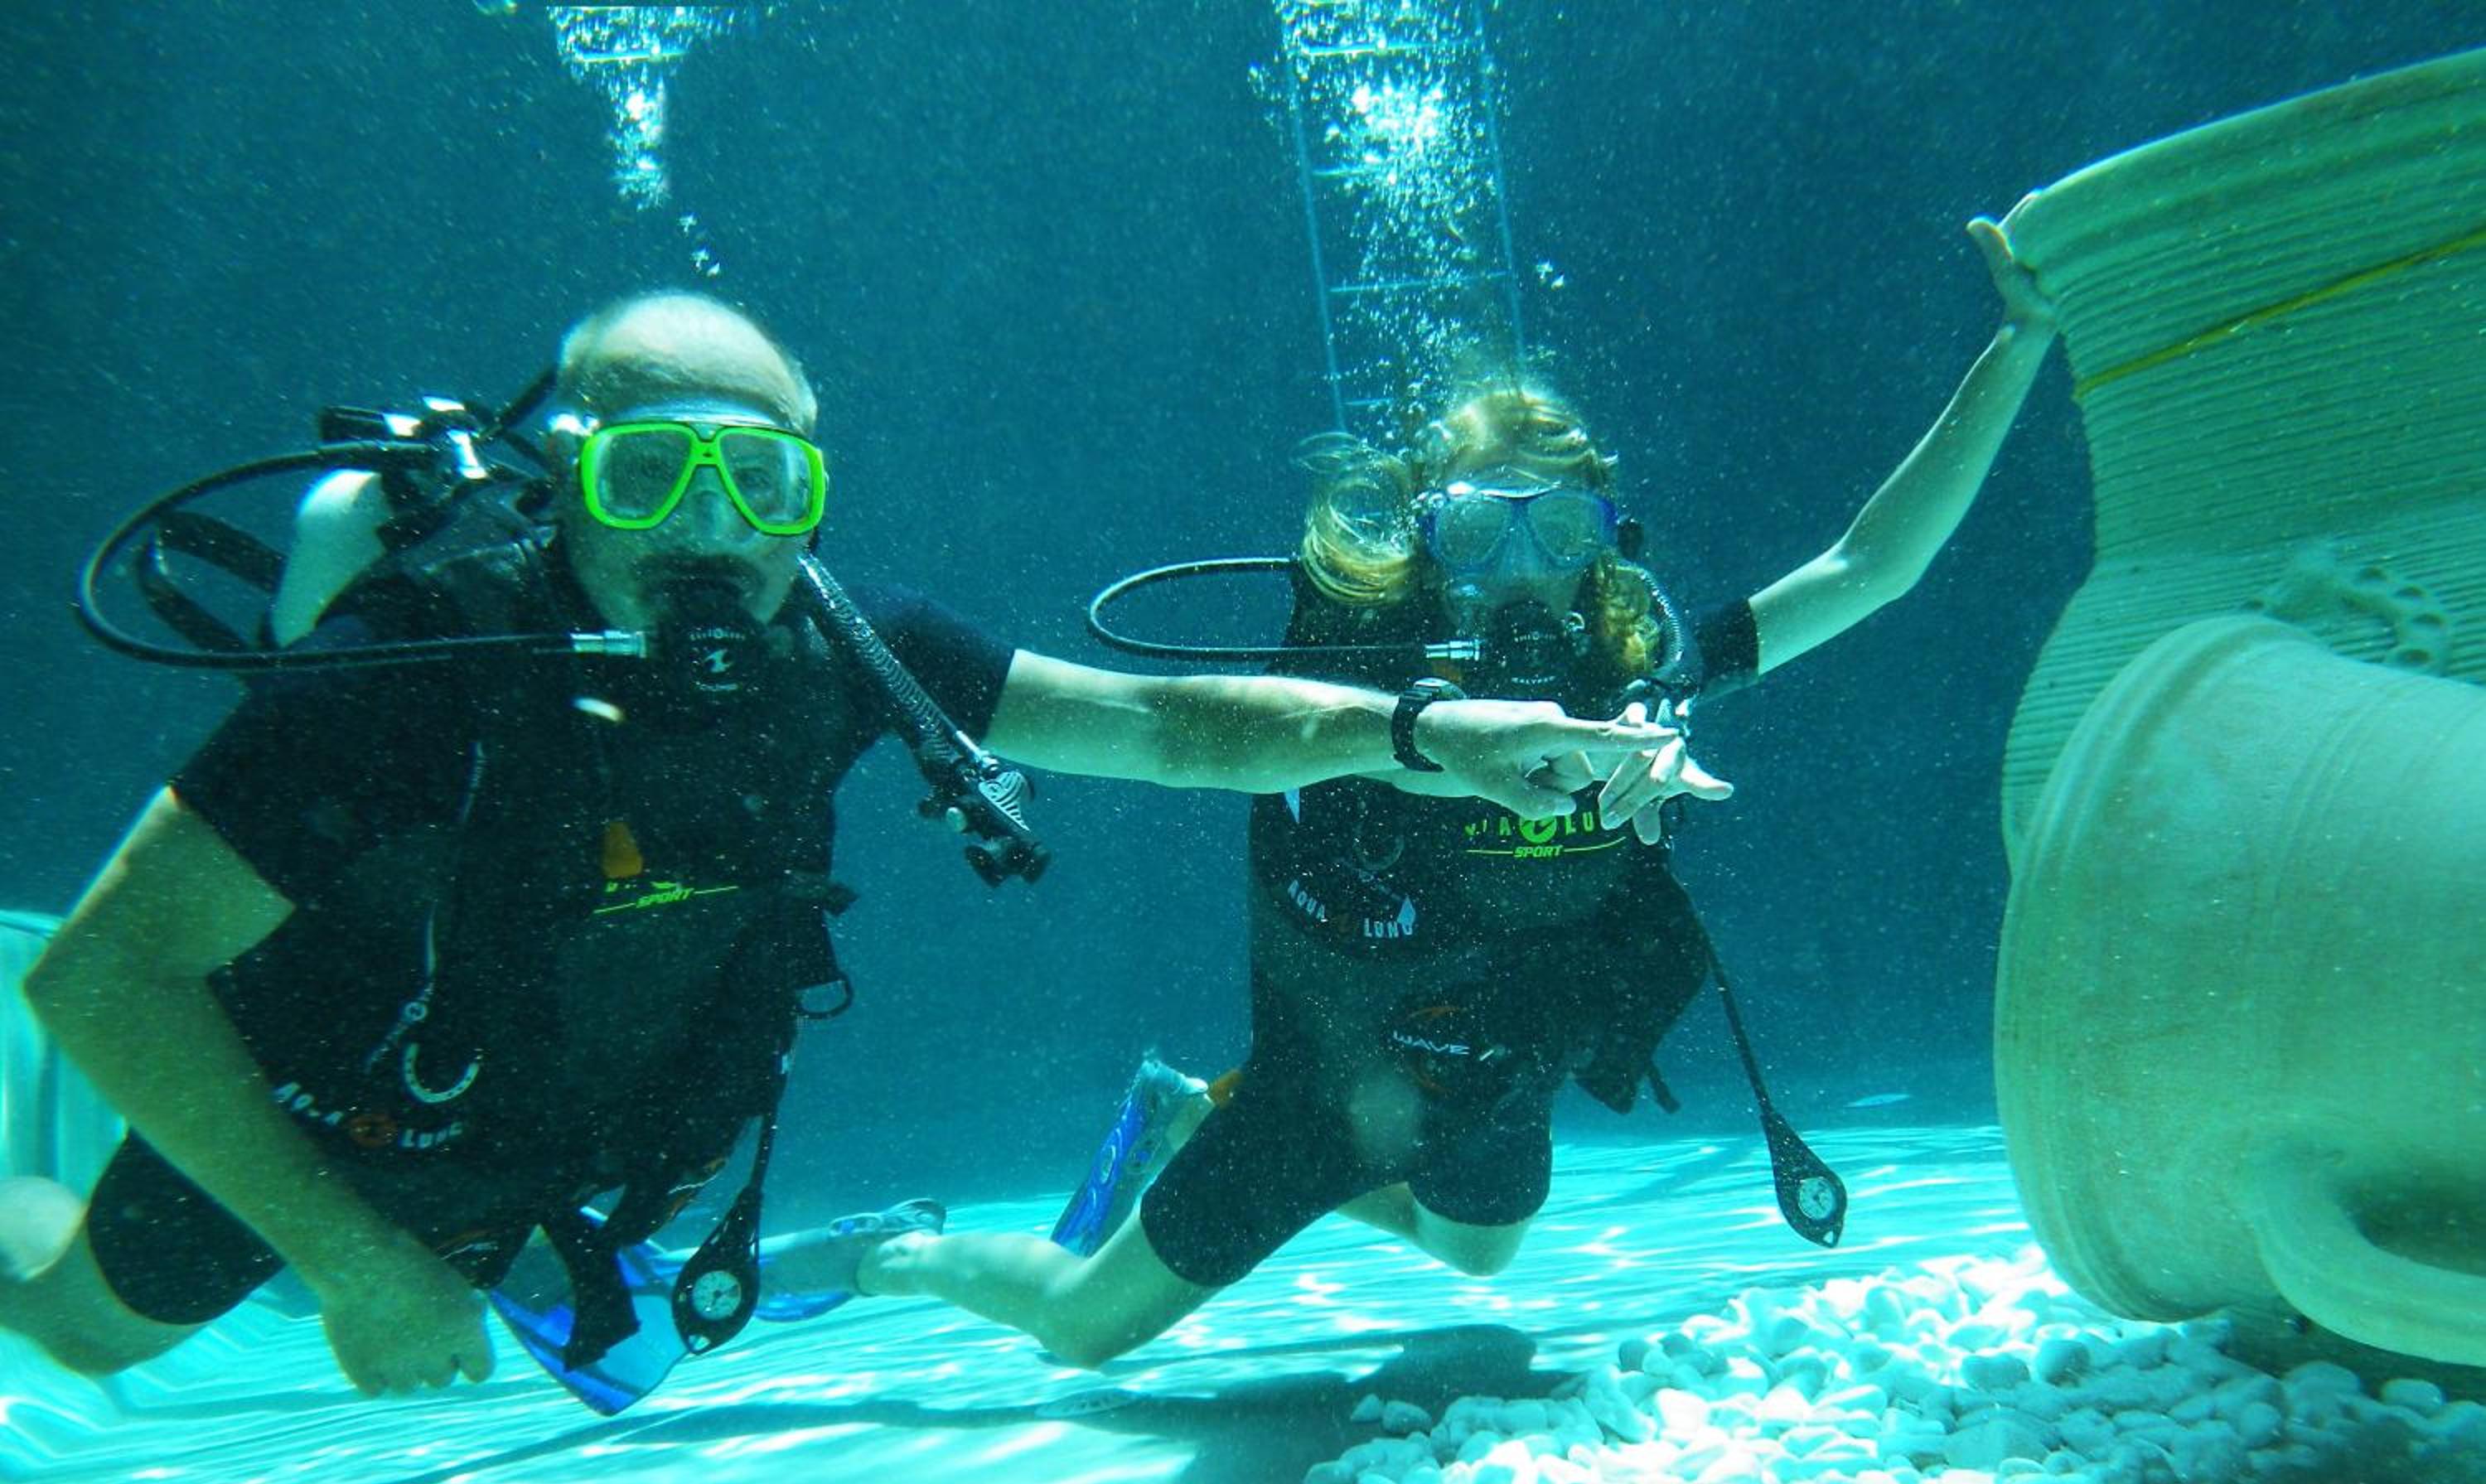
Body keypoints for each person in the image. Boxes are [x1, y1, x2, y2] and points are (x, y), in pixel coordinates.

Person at [0, 289, 1700, 1400]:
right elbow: (101, 977)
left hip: (553, 1122)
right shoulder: (412, 672)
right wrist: (350, 1263)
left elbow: (1166, 724)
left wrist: (1438, 737)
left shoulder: (844, 646)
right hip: (320, 1103)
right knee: (77, 1326)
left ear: (812, 494)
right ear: (568, 480)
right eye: (654, 479)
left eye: (764, 487)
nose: (713, 538)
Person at [849, 218, 2060, 1366]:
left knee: (1480, 1253)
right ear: (1423, 538)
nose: (1521, 573)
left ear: (1607, 543)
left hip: (1493, 1069)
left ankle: (1182, 1113)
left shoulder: (1640, 683)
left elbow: (1867, 566)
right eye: (1479, 534)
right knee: (1081, 1328)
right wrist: (1426, 739)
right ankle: (898, 1256)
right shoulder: (1349, 680)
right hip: (1320, 1080)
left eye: (1561, 532)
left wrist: (2017, 344)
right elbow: (1205, 733)